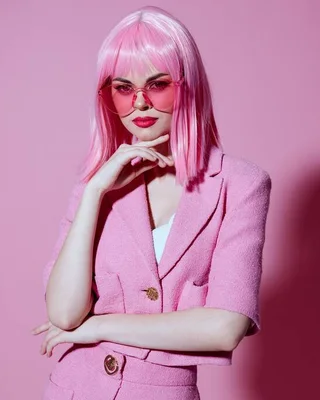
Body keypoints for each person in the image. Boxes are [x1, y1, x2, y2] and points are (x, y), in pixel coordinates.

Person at [32, 5, 272, 400]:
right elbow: (63, 313)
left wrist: (100, 327)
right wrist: (94, 194)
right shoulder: (97, 181)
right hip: (73, 388)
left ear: (188, 85)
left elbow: (226, 327)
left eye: (157, 84)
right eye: (123, 88)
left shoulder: (240, 184)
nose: (139, 103)